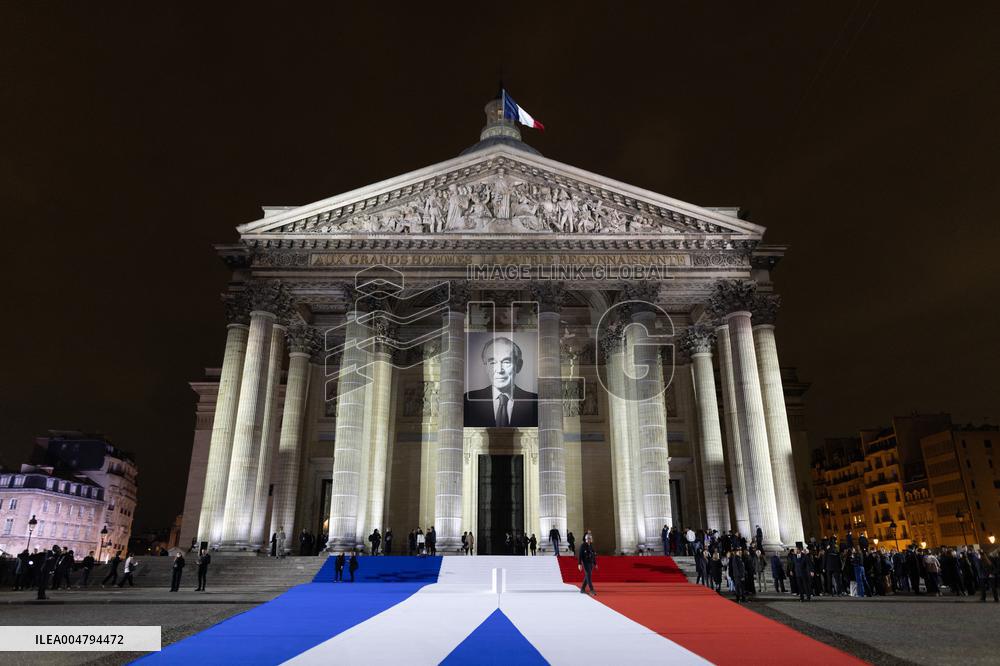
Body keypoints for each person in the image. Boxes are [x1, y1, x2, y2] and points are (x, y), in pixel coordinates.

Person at [463, 337, 538, 427]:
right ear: (486, 367)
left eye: (506, 362)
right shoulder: (467, 402)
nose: (499, 370)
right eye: (493, 362)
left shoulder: (536, 403)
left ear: (518, 366)